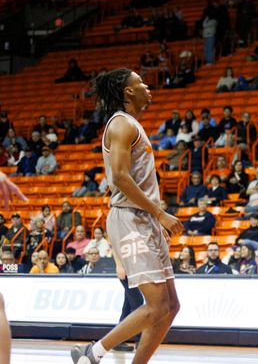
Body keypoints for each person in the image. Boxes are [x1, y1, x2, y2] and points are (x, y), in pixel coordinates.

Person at [71, 68, 183, 364]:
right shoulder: (121, 125)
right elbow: (119, 178)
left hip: (144, 219)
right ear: (128, 92)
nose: (148, 87)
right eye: (141, 83)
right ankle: (92, 353)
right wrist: (160, 213)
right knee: (158, 306)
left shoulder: (132, 124)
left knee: (171, 306)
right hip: (131, 218)